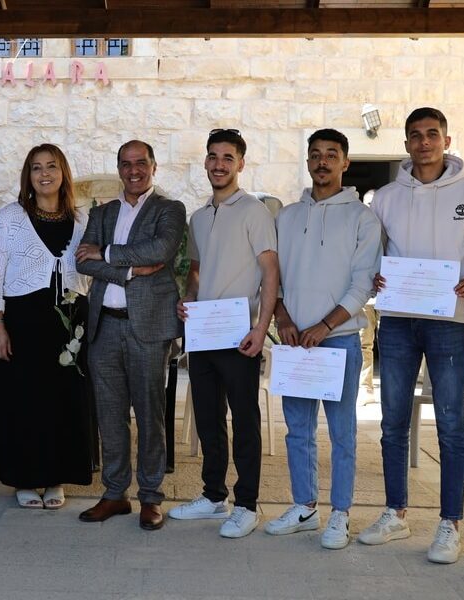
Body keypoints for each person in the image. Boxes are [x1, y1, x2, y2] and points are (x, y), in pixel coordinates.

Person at [361, 107, 464, 564]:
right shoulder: (384, 197)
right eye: (416, 135)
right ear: (405, 143)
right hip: (398, 320)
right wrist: (376, 275)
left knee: (451, 424)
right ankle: (395, 513)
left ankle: (450, 523)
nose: (424, 142)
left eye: (432, 134)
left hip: (450, 320)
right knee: (393, 422)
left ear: (446, 140)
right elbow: (374, 251)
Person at [266, 129, 381, 549]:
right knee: (297, 430)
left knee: (341, 433)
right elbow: (274, 278)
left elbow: (363, 283)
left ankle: (341, 514)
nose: (322, 162)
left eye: (331, 155)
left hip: (339, 341)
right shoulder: (287, 216)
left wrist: (325, 326)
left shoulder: (362, 218)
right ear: (307, 161)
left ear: (345, 163)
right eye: (315, 154)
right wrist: (282, 316)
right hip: (295, 340)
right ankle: (304, 507)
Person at [167, 129, 278, 538]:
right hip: (203, 333)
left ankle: (246, 504)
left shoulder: (255, 211)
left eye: (227, 157)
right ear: (206, 162)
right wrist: (188, 297)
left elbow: (270, 272)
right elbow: (196, 273)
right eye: (213, 157)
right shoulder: (199, 217)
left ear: (240, 164)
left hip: (240, 336)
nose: (219, 164)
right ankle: (214, 496)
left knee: (245, 420)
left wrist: (261, 329)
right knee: (208, 419)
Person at [74, 140, 185, 531]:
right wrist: (131, 269)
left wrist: (104, 253)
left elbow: (160, 249)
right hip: (104, 325)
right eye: (126, 164)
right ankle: (115, 493)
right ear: (119, 168)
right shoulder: (101, 212)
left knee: (150, 413)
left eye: (141, 163)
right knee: (110, 414)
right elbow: (82, 262)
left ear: (153, 166)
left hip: (148, 328)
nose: (133, 170)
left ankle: (151, 497)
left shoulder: (169, 209)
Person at [0, 143, 93, 509]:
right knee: (24, 401)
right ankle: (24, 478)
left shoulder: (81, 219)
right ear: (28, 176)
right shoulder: (12, 216)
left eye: (52, 166)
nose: (45, 174)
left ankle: (56, 477)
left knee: (62, 401)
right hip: (22, 322)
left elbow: (90, 273)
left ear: (64, 173)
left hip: (69, 324)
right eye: (37, 167)